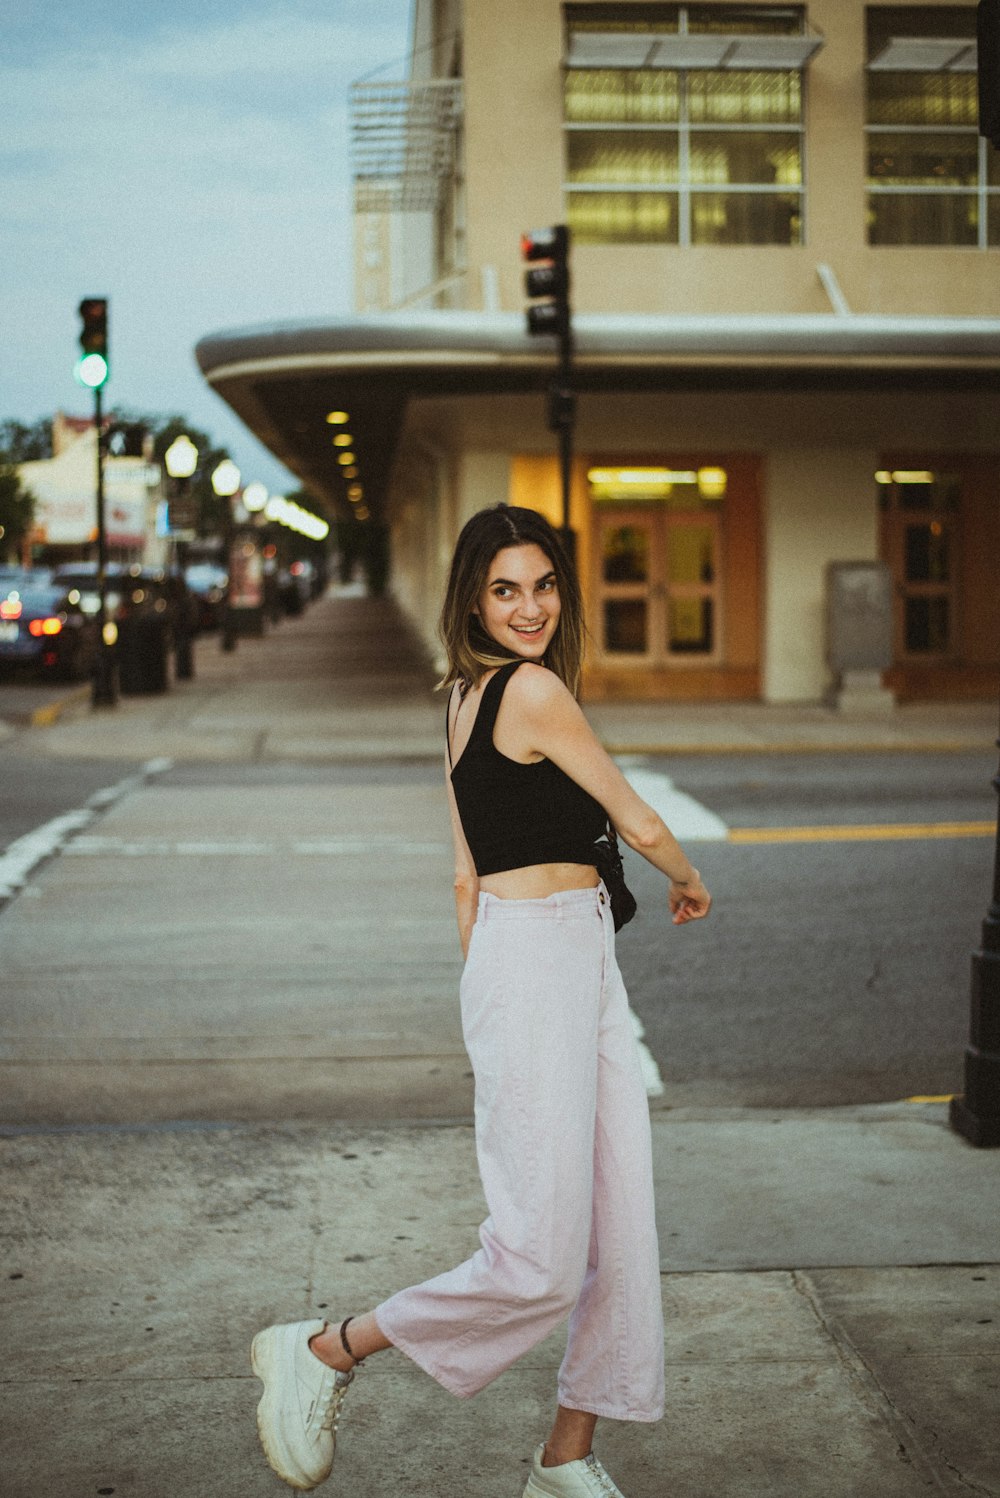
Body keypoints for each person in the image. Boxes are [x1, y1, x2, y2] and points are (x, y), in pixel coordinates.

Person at [251, 504, 712, 1496]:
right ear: (471, 596)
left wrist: (501, 979)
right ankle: (327, 1348)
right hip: (539, 965)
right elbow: (634, 816)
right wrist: (686, 875)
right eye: (505, 588)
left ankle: (566, 1456)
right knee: (539, 1256)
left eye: (544, 584)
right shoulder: (530, 692)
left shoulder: (461, 698)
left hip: (555, 957)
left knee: (618, 1225)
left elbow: (464, 876)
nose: (530, 606)